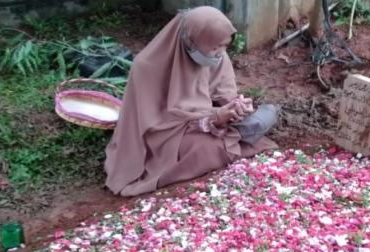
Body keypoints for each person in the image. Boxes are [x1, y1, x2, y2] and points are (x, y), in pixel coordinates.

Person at [104, 6, 278, 197]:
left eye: (224, 46)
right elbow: (154, 125)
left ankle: (237, 133)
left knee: (267, 113)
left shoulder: (217, 56)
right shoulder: (147, 67)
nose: (220, 53)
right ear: (191, 42)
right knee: (206, 149)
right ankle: (235, 137)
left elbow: (224, 92)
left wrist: (237, 107)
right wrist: (212, 119)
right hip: (167, 136)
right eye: (214, 47)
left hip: (208, 121)